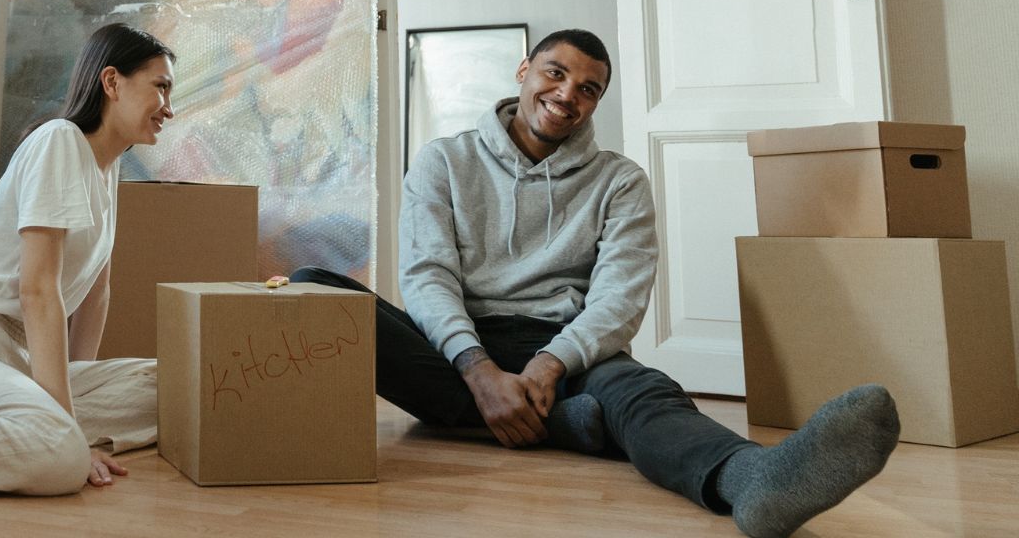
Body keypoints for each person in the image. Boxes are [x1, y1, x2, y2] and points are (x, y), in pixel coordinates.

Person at [294, 28, 900, 538]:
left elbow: (620, 296)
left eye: (588, 90)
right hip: (459, 346)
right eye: (555, 74)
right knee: (314, 288)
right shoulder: (444, 161)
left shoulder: (621, 181)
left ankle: (750, 481)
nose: (566, 96)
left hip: (565, 347)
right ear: (524, 69)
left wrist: (547, 367)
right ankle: (556, 422)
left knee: (646, 391)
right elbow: (426, 275)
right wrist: (478, 370)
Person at [0, 23, 175, 495]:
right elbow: (37, 289)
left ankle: (43, 426)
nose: (170, 108)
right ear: (112, 82)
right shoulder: (60, 140)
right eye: (161, 87)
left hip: (18, 357)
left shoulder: (108, 168)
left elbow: (96, 293)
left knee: (176, 387)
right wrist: (68, 428)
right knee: (60, 454)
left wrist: (72, 387)